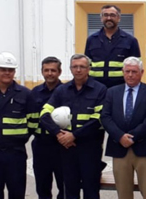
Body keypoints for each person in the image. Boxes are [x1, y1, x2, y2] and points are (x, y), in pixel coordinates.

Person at [39, 54, 108, 199]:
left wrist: (74, 135)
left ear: (89, 69)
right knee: (70, 191)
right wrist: (58, 133)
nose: (78, 70)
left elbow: (99, 119)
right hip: (67, 149)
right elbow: (44, 114)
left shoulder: (100, 90)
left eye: (82, 67)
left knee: (91, 191)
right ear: (70, 69)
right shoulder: (62, 90)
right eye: (75, 67)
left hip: (90, 149)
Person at [100, 57, 146, 199]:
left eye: (134, 71)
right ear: (123, 72)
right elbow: (105, 117)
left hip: (145, 149)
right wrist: (120, 136)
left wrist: (132, 136)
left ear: (141, 72)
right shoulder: (112, 92)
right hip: (119, 148)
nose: (130, 75)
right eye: (127, 71)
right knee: (123, 193)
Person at [0, 52, 34, 199]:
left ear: (14, 72)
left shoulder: (25, 94)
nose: (6, 72)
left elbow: (33, 121)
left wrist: (19, 136)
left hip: (15, 153)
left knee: (17, 193)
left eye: (10, 70)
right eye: (3, 69)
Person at [30, 56, 66, 199]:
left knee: (64, 185)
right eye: (46, 70)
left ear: (59, 72)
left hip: (61, 146)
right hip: (41, 145)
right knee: (42, 186)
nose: (50, 73)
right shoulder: (35, 92)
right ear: (42, 71)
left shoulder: (66, 91)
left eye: (53, 70)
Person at [85, 4, 142, 88]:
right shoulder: (91, 40)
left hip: (120, 87)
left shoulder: (130, 41)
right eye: (105, 15)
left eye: (112, 15)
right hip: (95, 87)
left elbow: (136, 67)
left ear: (118, 18)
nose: (109, 18)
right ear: (101, 18)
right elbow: (87, 65)